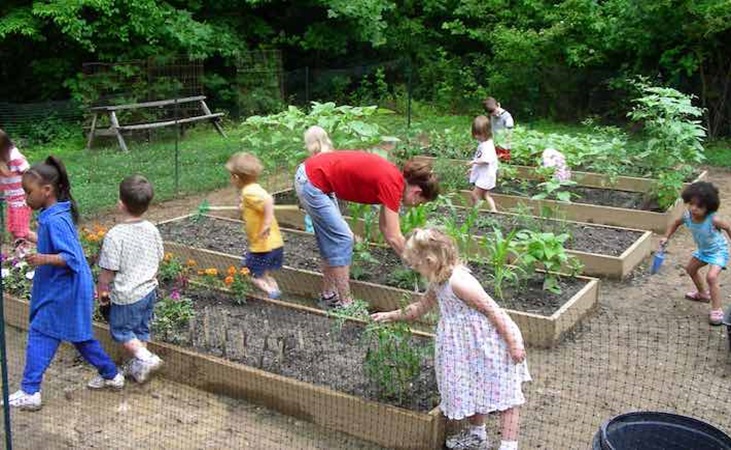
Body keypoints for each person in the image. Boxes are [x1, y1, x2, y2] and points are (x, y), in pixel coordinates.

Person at [372, 228, 530, 450]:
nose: (416, 270)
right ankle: (478, 436)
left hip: (488, 345)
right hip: (465, 349)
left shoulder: (460, 282)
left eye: (417, 266)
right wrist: (391, 315)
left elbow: (493, 311)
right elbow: (420, 307)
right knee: (474, 387)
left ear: (430, 259)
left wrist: (514, 343)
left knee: (507, 397)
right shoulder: (437, 281)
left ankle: (508, 446)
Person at [4, 156, 123, 411]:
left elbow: (70, 257)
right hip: (69, 288)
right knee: (79, 335)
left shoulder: (54, 219)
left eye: (29, 192)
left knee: (41, 330)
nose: (26, 198)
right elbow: (58, 244)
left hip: (65, 289)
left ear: (46, 190)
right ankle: (112, 375)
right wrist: (30, 236)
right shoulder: (53, 215)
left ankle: (30, 391)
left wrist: (41, 258)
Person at [295, 151, 439, 308]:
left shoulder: (394, 181)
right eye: (419, 202)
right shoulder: (392, 183)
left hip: (317, 180)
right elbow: (394, 237)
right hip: (312, 181)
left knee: (333, 240)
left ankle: (328, 295)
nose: (416, 206)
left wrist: (410, 260)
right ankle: (347, 305)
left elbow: (385, 228)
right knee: (343, 239)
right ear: (417, 192)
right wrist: (418, 264)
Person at [97, 175, 164, 383]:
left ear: (120, 204)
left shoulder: (116, 235)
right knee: (141, 330)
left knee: (121, 331)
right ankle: (139, 368)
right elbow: (160, 256)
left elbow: (108, 270)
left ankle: (147, 358)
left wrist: (102, 289)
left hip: (127, 295)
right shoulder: (152, 229)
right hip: (148, 290)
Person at [661, 181, 730, 325]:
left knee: (711, 277)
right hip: (704, 251)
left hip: (718, 251)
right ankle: (703, 294)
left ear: (709, 207)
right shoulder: (687, 216)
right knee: (690, 269)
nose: (694, 208)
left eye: (699, 206)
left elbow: (728, 227)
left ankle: (717, 310)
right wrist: (665, 237)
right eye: (691, 204)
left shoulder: (713, 219)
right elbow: (675, 223)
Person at [226, 152, 284, 299]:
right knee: (265, 275)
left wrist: (265, 224)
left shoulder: (248, 192)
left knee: (249, 274)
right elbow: (258, 205)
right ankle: (275, 296)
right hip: (275, 244)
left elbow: (268, 201)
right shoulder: (255, 188)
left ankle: (272, 293)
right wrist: (242, 208)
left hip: (261, 246)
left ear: (236, 178)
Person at [0, 129, 34, 248]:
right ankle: (22, 258)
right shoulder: (2, 160)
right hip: (12, 200)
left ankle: (50, 247)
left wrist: (29, 193)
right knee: (14, 231)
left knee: (23, 233)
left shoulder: (14, 157)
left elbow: (30, 173)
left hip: (21, 200)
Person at [303, 126, 336, 233]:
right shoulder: (331, 154)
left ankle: (312, 232)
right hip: (330, 191)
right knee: (332, 212)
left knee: (313, 213)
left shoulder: (315, 160)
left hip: (317, 191)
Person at [467, 115, 499, 211]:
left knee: (475, 195)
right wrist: (473, 169)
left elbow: (486, 160)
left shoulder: (487, 146)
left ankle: (475, 212)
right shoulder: (484, 143)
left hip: (486, 176)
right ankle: (494, 210)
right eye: (476, 134)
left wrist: (474, 162)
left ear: (486, 133)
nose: (477, 136)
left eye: (479, 134)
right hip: (485, 175)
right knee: (485, 195)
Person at [483, 97, 514, 161]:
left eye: (493, 111)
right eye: (490, 112)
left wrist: (508, 145)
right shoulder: (492, 116)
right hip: (495, 142)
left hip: (505, 145)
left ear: (498, 105)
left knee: (504, 160)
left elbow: (509, 132)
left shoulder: (507, 117)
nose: (493, 114)